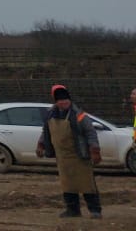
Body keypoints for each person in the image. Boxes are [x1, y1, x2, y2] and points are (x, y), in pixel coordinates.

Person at [35, 84, 103, 219]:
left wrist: (94, 150)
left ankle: (95, 211)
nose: (64, 102)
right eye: (60, 100)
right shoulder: (50, 114)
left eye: (66, 100)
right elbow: (46, 131)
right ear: (56, 101)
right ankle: (73, 210)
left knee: (87, 184)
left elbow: (90, 133)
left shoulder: (79, 115)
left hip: (80, 155)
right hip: (62, 158)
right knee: (68, 185)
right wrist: (41, 144)